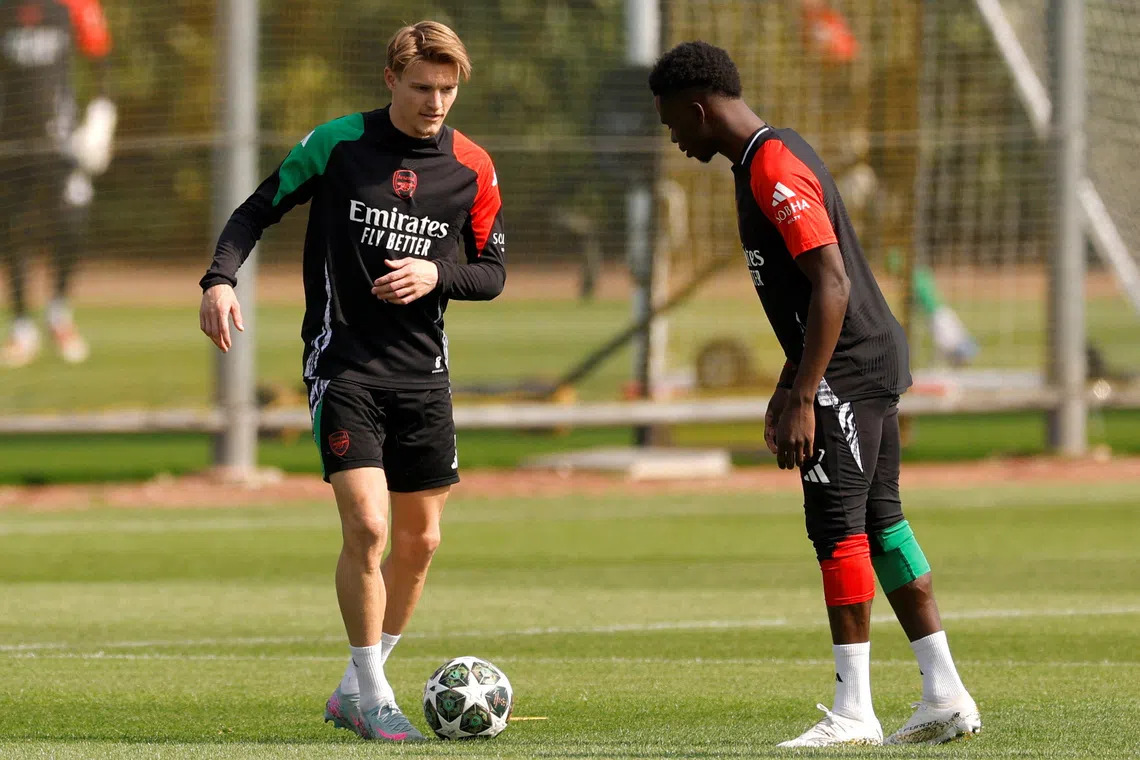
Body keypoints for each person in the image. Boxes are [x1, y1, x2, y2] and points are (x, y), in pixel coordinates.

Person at [648, 41, 980, 747]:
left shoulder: (771, 165)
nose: (672, 135)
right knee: (885, 527)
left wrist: (807, 393)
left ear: (699, 108)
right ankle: (943, 692)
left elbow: (832, 281)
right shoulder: (765, 156)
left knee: (840, 532)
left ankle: (854, 713)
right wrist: (789, 382)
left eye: (673, 119)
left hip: (849, 370)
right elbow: (809, 294)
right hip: (860, 360)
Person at [199, 20, 506, 742]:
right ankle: (373, 694)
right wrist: (218, 278)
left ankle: (352, 685)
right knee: (367, 525)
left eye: (449, 88)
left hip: (424, 375)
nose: (437, 101)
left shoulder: (473, 167)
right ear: (392, 80)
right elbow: (256, 208)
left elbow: (492, 272)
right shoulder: (337, 145)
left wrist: (438, 272)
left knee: (420, 541)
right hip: (343, 365)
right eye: (424, 86)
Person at [1, 0, 116, 367]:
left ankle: (58, 312)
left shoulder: (75, 5)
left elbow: (101, 61)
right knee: (13, 230)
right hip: (10, 143)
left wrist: (101, 117)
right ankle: (21, 327)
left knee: (73, 223)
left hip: (61, 144)